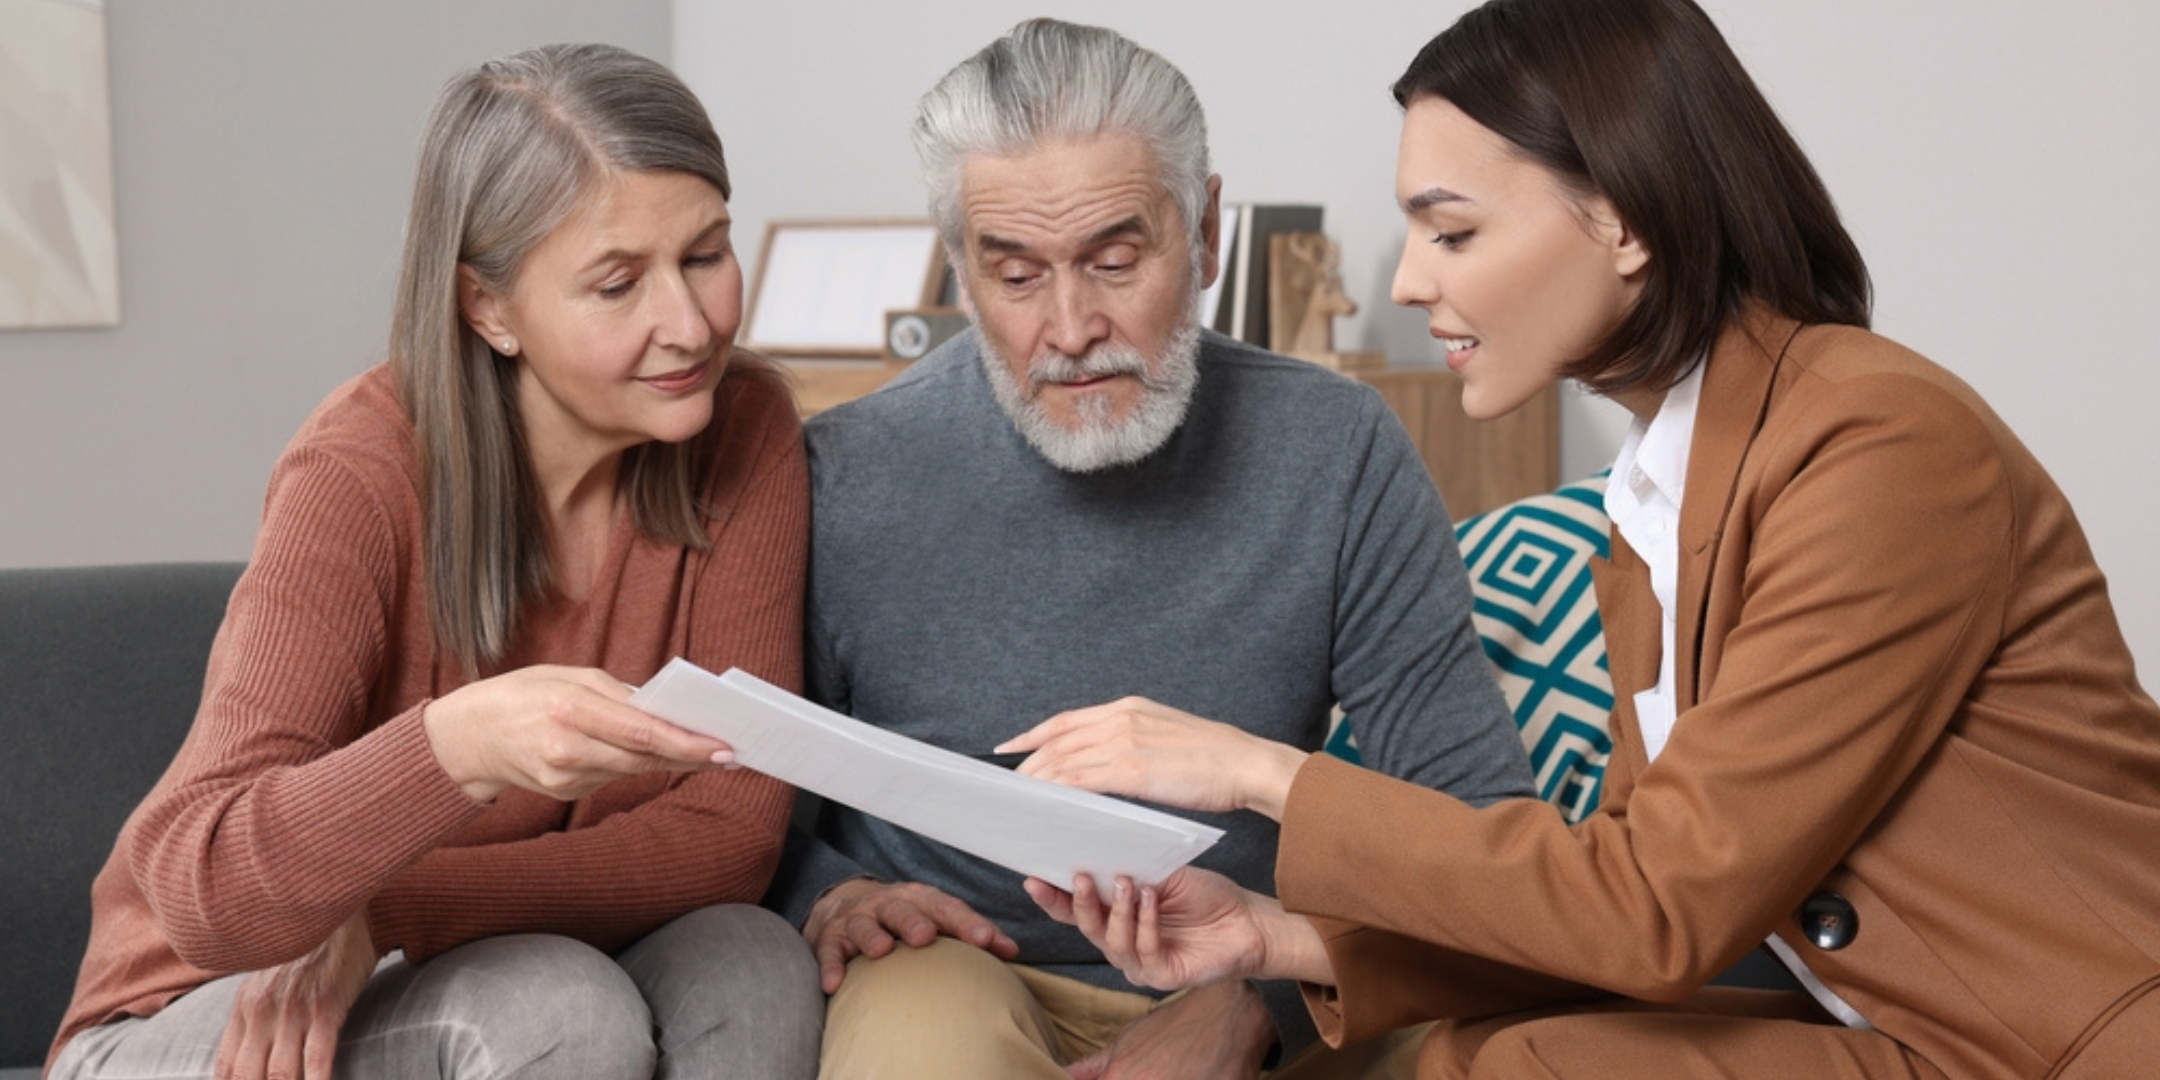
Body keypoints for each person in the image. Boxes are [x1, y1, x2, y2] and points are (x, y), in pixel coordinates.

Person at [1022, 0, 2160, 1077]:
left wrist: (1260, 772)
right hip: (1926, 1034)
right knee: (1501, 1053)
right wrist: (1275, 941)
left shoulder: (1880, 446)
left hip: (2067, 1043)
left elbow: (1657, 908)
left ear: (1624, 220)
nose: (1411, 280)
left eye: (1452, 230)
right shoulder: (1660, 497)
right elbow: (1609, 903)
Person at [762, 17, 1535, 1080]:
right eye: (1017, 276)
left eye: (1116, 259)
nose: (1072, 327)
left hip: (1258, 954)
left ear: (1206, 228)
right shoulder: (841, 470)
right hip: (954, 958)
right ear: (959, 267)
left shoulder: (1337, 449)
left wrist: (1263, 1001)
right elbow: (754, 810)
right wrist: (835, 897)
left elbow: (1477, 827)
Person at [46, 43, 821, 1080]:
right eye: (618, 283)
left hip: (447, 939)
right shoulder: (360, 470)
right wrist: (454, 748)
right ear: (487, 309)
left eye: (706, 255)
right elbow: (205, 877)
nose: (689, 325)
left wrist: (399, 907)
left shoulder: (742, 426)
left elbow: (733, 831)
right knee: (559, 1008)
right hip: (203, 1006)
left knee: (753, 966)